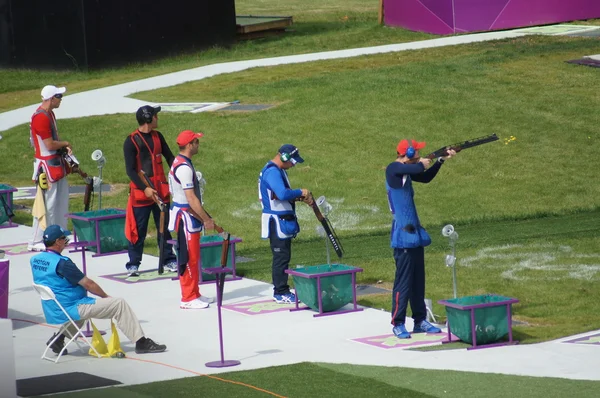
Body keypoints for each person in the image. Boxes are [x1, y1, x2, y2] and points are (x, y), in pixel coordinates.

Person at [30, 225, 167, 355]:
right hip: (71, 306)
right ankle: (141, 342)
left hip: (53, 308)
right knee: (119, 304)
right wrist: (105, 296)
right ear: (57, 242)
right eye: (63, 238)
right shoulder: (63, 263)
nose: (66, 241)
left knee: (81, 314)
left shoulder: (35, 260)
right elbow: (88, 284)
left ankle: (58, 340)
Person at [385, 139, 456, 339]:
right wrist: (422, 163)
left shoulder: (406, 171)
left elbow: (425, 177)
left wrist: (440, 160)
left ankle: (420, 320)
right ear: (408, 152)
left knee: (418, 282)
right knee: (403, 283)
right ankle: (398, 323)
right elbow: (418, 169)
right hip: (402, 236)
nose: (419, 152)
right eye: (416, 150)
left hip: (414, 233)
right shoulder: (393, 169)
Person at [123, 105, 177, 276]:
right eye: (155, 116)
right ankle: (133, 263)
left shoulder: (158, 136)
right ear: (148, 119)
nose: (157, 118)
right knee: (138, 231)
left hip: (161, 191)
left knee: (165, 228)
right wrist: (145, 188)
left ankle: (169, 259)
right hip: (142, 194)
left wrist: (178, 171)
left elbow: (170, 157)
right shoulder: (131, 141)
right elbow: (131, 170)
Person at [167, 130, 216, 309]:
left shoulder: (182, 162)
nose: (198, 144)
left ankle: (194, 292)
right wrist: (207, 219)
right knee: (189, 257)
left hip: (188, 216)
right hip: (186, 217)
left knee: (194, 257)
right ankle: (187, 297)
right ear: (189, 145)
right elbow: (192, 199)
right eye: (196, 141)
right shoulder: (185, 168)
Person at [258, 144, 313, 304]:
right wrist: (300, 192)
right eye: (293, 161)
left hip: (281, 220)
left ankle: (282, 289)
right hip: (277, 222)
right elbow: (282, 193)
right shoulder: (273, 172)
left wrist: (297, 197)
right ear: (284, 157)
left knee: (283, 256)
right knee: (280, 257)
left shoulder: (277, 170)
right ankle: (280, 291)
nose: (294, 165)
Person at [28, 85, 71, 252]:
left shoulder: (49, 114)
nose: (61, 99)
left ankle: (57, 236)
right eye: (59, 96)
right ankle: (37, 239)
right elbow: (49, 144)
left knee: (59, 202)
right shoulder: (41, 117)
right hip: (46, 166)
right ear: (51, 98)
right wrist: (66, 143)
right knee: (46, 205)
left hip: (55, 163)